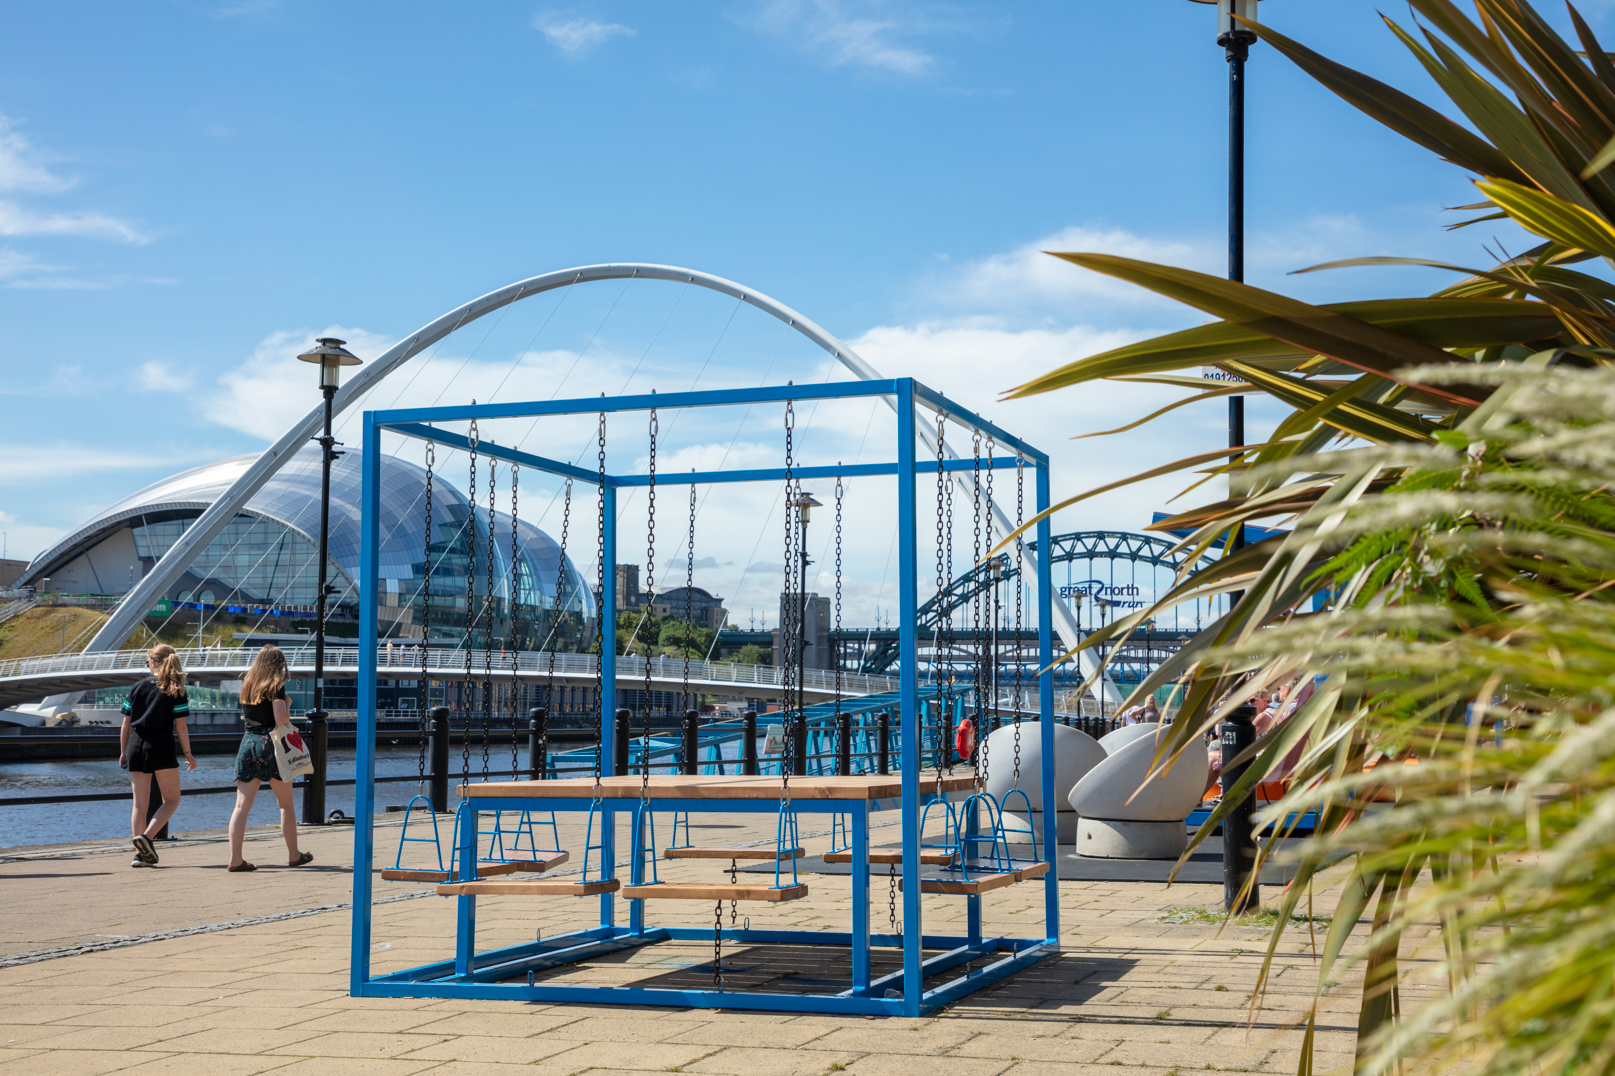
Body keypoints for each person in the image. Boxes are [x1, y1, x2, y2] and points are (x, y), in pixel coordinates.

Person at [227, 645, 312, 872]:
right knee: (286, 806)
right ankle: (294, 855)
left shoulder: (248, 684)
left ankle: (235, 859)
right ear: (277, 664)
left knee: (241, 807)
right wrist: (288, 703)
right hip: (271, 745)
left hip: (248, 743)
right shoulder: (275, 685)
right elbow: (281, 718)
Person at [120, 644, 197, 867]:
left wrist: (124, 751)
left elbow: (125, 724)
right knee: (172, 799)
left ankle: (139, 854)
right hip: (161, 744)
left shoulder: (137, 687)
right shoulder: (176, 689)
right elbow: (180, 727)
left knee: (139, 804)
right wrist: (189, 754)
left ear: (153, 663)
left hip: (136, 744)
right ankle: (147, 837)